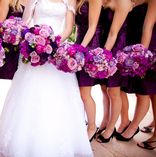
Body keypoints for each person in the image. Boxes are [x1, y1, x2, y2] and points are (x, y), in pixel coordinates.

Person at [0, 0, 93, 156]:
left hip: (58, 50)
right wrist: (34, 43)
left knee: (57, 95)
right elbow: (26, 22)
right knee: (30, 93)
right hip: (33, 49)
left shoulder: (69, 1)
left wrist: (52, 45)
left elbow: (68, 28)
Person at [116, 0, 155, 142]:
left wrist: (141, 55)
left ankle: (134, 126)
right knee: (124, 87)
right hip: (130, 45)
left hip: (147, 47)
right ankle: (126, 121)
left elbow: (147, 27)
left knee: (143, 91)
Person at [96, 0, 133, 143]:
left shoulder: (123, 2)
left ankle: (111, 128)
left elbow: (113, 33)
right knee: (104, 88)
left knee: (114, 91)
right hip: (105, 43)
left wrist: (102, 56)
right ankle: (105, 122)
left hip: (117, 48)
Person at [75, 0, 106, 141]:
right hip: (80, 43)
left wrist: (81, 49)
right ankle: (81, 123)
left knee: (85, 93)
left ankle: (92, 127)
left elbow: (92, 27)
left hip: (91, 46)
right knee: (79, 91)